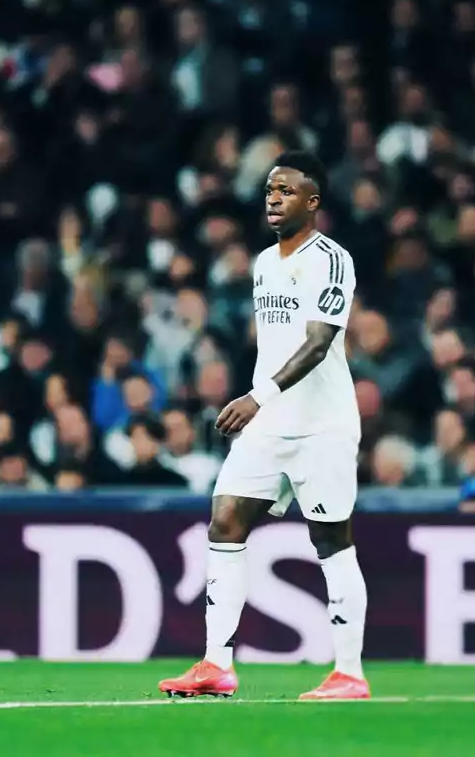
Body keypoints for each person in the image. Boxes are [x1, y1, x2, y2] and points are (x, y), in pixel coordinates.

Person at [158, 152, 368, 701]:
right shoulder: (262, 264)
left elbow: (319, 344)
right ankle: (215, 664)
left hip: (321, 425)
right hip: (268, 424)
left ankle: (349, 672)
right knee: (225, 519)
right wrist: (261, 401)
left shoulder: (333, 260)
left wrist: (258, 395)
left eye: (287, 191)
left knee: (330, 539)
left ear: (313, 202)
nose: (274, 199)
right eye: (269, 190)